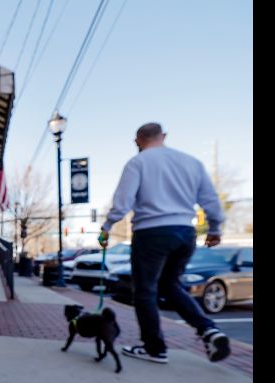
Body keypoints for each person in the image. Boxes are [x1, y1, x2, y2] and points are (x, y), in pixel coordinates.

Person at [98, 122, 230, 364]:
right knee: (171, 286)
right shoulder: (191, 162)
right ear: (163, 136)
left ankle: (154, 348)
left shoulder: (138, 162)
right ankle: (208, 329)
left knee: (145, 291)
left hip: (151, 233)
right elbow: (211, 200)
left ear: (138, 140)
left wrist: (106, 227)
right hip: (184, 232)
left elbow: (122, 203)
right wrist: (215, 229)